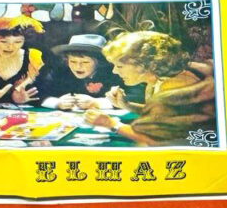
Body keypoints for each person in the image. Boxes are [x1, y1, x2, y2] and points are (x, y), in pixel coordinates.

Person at [83, 30, 216, 146]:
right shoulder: (157, 82)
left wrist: (111, 124)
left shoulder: (172, 89)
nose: (114, 71)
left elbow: (154, 140)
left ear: (143, 65)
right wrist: (127, 105)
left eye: (119, 66)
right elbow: (162, 116)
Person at [36, 33, 117, 111]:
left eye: (85, 62)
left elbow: (123, 99)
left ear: (99, 62)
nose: (78, 67)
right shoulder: (60, 72)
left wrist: (96, 103)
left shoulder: (113, 74)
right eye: (73, 61)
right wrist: (57, 103)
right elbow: (37, 94)